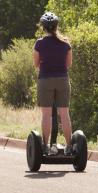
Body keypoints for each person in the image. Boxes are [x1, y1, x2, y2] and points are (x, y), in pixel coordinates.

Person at [33, 11, 74, 156]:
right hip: (62, 80)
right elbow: (68, 64)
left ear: (43, 27)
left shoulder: (39, 43)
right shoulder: (66, 43)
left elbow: (36, 64)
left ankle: (45, 146)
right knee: (64, 114)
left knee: (46, 115)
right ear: (56, 26)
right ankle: (69, 147)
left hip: (45, 80)